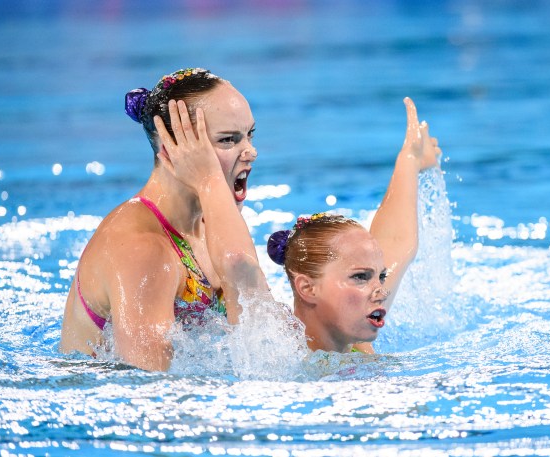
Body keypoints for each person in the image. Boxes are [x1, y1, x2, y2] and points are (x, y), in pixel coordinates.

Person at [161, 95, 441, 355]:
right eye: (360, 277)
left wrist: (411, 159)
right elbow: (238, 264)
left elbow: (397, 244)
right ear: (307, 288)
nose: (381, 290)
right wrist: (207, 177)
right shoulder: (276, 346)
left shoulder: (355, 340)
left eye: (378, 277)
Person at [59, 68, 265, 370]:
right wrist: (209, 179)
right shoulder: (142, 249)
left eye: (249, 135)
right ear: (173, 148)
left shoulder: (209, 224)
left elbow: (269, 338)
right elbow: (149, 385)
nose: (251, 152)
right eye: (228, 140)